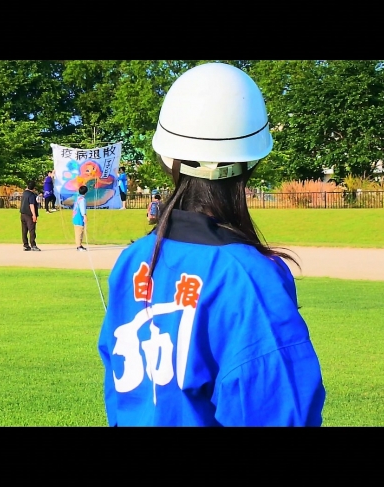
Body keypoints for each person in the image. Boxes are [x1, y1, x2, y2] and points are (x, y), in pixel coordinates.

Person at [97, 63, 326, 426]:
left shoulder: (133, 260)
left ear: (166, 158)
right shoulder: (248, 276)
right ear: (252, 160)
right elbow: (279, 410)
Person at [19, 180, 41, 251]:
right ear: (34, 188)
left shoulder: (24, 193)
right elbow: (31, 205)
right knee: (32, 230)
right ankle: (33, 245)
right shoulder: (31, 195)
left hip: (23, 214)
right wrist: (34, 215)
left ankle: (25, 245)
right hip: (29, 215)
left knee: (24, 230)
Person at [72, 185, 88, 251]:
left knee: (78, 231)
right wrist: (84, 215)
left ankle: (79, 245)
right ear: (86, 192)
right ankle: (79, 246)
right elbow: (82, 208)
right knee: (79, 231)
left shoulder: (78, 198)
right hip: (79, 217)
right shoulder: (82, 199)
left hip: (75, 216)